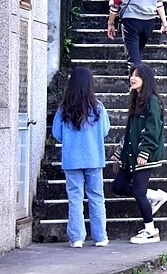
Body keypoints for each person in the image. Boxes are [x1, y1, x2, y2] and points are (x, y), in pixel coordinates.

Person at [52, 66, 111, 248]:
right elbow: (105, 131)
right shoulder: (98, 107)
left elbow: (57, 133)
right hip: (94, 158)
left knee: (75, 198)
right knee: (96, 197)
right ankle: (100, 237)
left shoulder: (64, 109)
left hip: (72, 160)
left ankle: (77, 238)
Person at [111, 64, 167, 244]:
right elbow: (130, 131)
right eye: (131, 75)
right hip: (130, 154)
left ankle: (151, 231)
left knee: (137, 191)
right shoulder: (136, 99)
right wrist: (119, 154)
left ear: (146, 79)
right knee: (118, 186)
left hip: (144, 156)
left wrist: (144, 152)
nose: (132, 78)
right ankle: (153, 195)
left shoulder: (152, 101)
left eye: (137, 76)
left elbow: (153, 129)